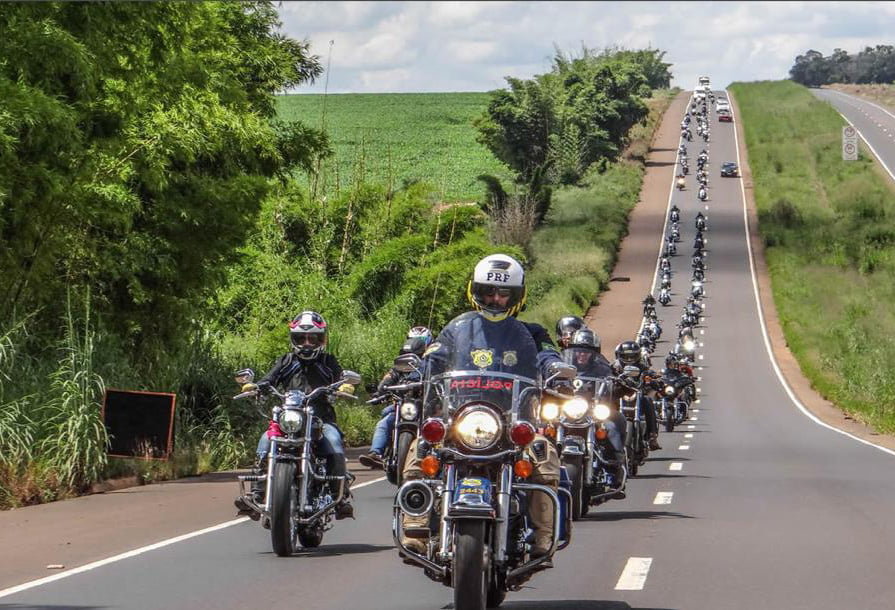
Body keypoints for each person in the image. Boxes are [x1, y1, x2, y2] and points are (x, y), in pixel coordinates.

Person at [400, 254, 564, 559]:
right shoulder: (456, 330)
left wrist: (557, 370)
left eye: (504, 293)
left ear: (517, 296)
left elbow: (547, 355)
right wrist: (414, 374)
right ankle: (415, 529)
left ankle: (543, 538)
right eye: (489, 291)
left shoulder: (532, 333)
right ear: (476, 292)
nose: (496, 299)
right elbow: (435, 356)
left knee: (543, 454)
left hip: (510, 422)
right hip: (461, 417)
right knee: (421, 447)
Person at [234, 311, 357, 520]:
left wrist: (345, 386)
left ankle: (340, 496)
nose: (307, 343)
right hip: (289, 419)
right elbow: (269, 380)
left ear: (322, 339)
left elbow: (340, 378)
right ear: (294, 339)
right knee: (265, 441)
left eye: (313, 338)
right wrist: (256, 386)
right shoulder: (287, 360)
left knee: (334, 442)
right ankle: (257, 495)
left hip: (321, 420)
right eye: (301, 338)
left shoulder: (328, 361)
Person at [561, 328, 626, 499]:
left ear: (594, 353)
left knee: (612, 426)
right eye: (579, 351)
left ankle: (614, 470)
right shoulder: (563, 366)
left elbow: (612, 380)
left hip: (592, 411)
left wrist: (618, 382)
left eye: (586, 352)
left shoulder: (602, 368)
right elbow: (547, 377)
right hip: (567, 410)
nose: (582, 355)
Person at [359, 326, 433, 469]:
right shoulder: (400, 364)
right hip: (403, 406)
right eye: (412, 339)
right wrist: (379, 392)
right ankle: (376, 454)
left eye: (420, 340)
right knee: (384, 422)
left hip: (426, 407)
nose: (415, 342)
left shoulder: (433, 363)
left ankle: (436, 457)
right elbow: (388, 379)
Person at [611, 340, 661, 451]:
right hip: (619, 394)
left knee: (648, 400)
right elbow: (605, 374)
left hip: (637, 394)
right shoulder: (614, 367)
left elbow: (650, 373)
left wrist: (655, 378)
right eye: (626, 356)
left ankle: (652, 436)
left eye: (632, 356)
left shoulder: (642, 367)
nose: (629, 360)